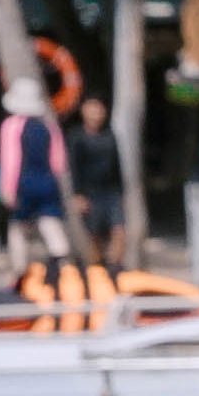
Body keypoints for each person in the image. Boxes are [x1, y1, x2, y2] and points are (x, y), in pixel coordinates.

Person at [0, 80, 70, 261]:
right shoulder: (49, 127)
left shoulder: (11, 126)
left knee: (18, 228)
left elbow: (11, 160)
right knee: (50, 223)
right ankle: (60, 265)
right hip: (48, 182)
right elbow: (58, 163)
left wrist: (8, 189)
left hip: (24, 182)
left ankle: (20, 273)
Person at [63, 95, 124, 268]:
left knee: (119, 231)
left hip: (110, 191)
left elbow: (117, 166)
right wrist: (77, 194)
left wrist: (120, 193)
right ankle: (97, 270)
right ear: (84, 112)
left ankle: (114, 268)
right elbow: (73, 167)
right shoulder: (76, 136)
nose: (96, 114)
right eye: (92, 110)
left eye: (99, 110)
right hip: (89, 191)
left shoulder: (109, 135)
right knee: (93, 235)